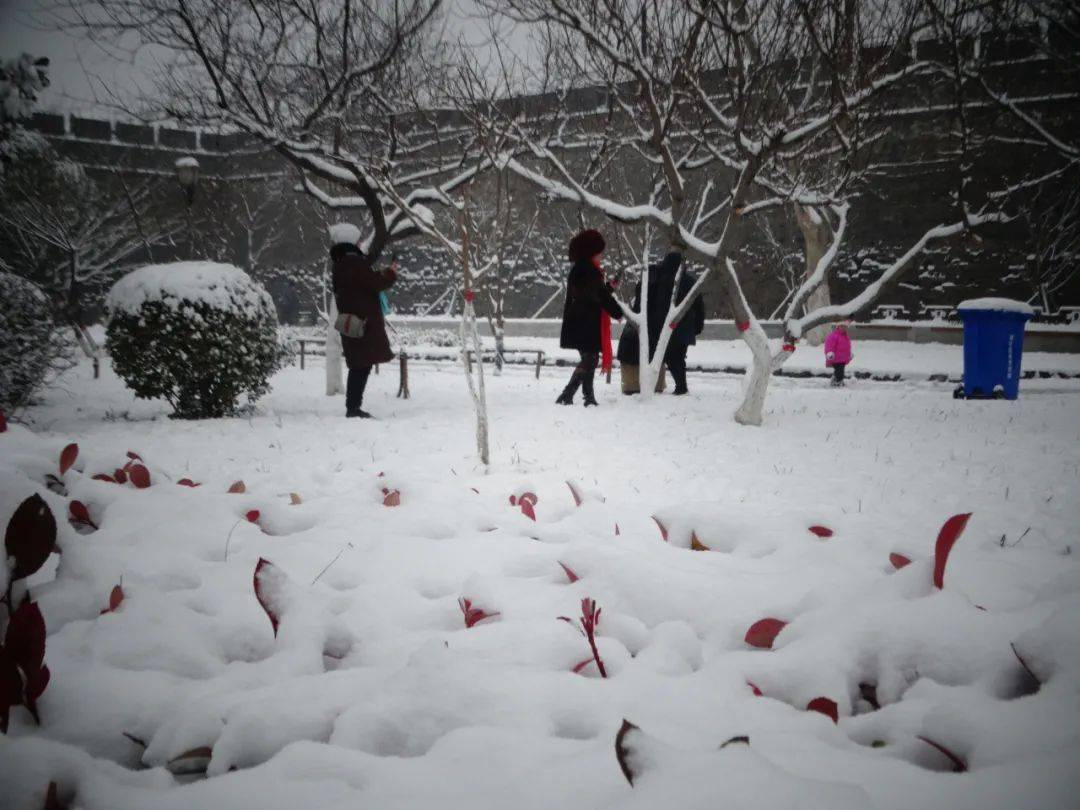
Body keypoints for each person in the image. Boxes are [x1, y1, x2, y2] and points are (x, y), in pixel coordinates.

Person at [329, 223, 397, 417]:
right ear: (351, 242)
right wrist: (391, 273)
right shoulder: (354, 263)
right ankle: (353, 408)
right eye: (358, 239)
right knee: (361, 365)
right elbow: (373, 283)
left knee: (360, 364)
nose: (360, 242)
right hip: (362, 324)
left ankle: (353, 406)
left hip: (351, 321)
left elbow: (363, 282)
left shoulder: (340, 263)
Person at [616, 251, 704, 395]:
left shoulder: (659, 279)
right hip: (684, 327)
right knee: (678, 357)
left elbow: (652, 304)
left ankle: (679, 386)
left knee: (672, 357)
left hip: (666, 327)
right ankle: (680, 386)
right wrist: (698, 326)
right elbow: (699, 306)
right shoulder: (689, 281)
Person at [556, 228, 623, 406]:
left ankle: (588, 397)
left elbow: (593, 293)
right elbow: (599, 295)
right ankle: (567, 394)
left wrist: (609, 287)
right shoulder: (587, 270)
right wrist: (617, 311)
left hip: (581, 322)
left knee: (590, 359)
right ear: (590, 251)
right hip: (584, 323)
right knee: (590, 359)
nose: (601, 255)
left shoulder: (583, 269)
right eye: (599, 252)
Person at [824, 321, 853, 387]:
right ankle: (837, 383)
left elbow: (847, 347)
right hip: (836, 359)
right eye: (841, 326)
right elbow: (829, 346)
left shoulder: (845, 336)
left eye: (845, 327)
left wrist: (849, 354)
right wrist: (829, 353)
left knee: (840, 372)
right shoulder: (833, 336)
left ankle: (836, 381)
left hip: (843, 359)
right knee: (839, 372)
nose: (843, 328)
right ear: (838, 326)